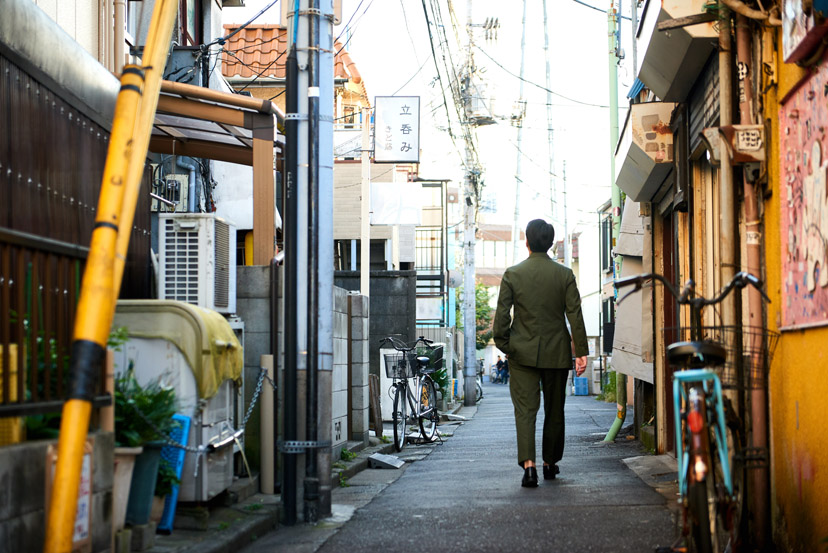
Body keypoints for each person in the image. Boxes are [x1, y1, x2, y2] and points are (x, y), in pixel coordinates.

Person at [493, 219, 588, 488]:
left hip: (521, 353)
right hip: (557, 352)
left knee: (525, 410)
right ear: (550, 243)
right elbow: (575, 316)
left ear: (527, 242)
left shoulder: (513, 274)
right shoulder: (565, 274)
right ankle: (549, 463)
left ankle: (529, 468)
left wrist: (506, 346)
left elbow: (501, 318)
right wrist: (580, 351)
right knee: (555, 409)